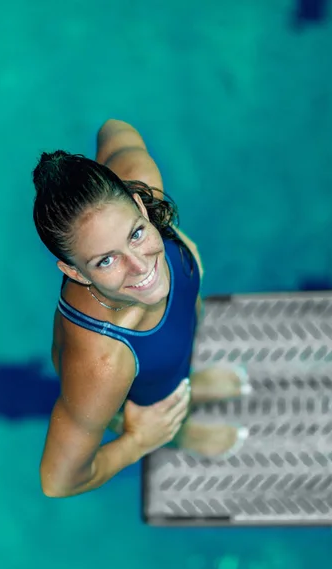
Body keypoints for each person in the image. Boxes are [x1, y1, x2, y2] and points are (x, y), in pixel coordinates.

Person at [34, 119, 250, 498]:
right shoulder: (103, 366)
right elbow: (58, 480)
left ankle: (186, 385)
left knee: (175, 360)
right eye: (105, 260)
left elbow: (113, 128)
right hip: (133, 375)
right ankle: (178, 433)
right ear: (73, 271)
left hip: (165, 347)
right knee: (155, 407)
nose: (141, 266)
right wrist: (139, 440)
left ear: (138, 203)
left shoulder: (143, 184)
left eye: (135, 233)